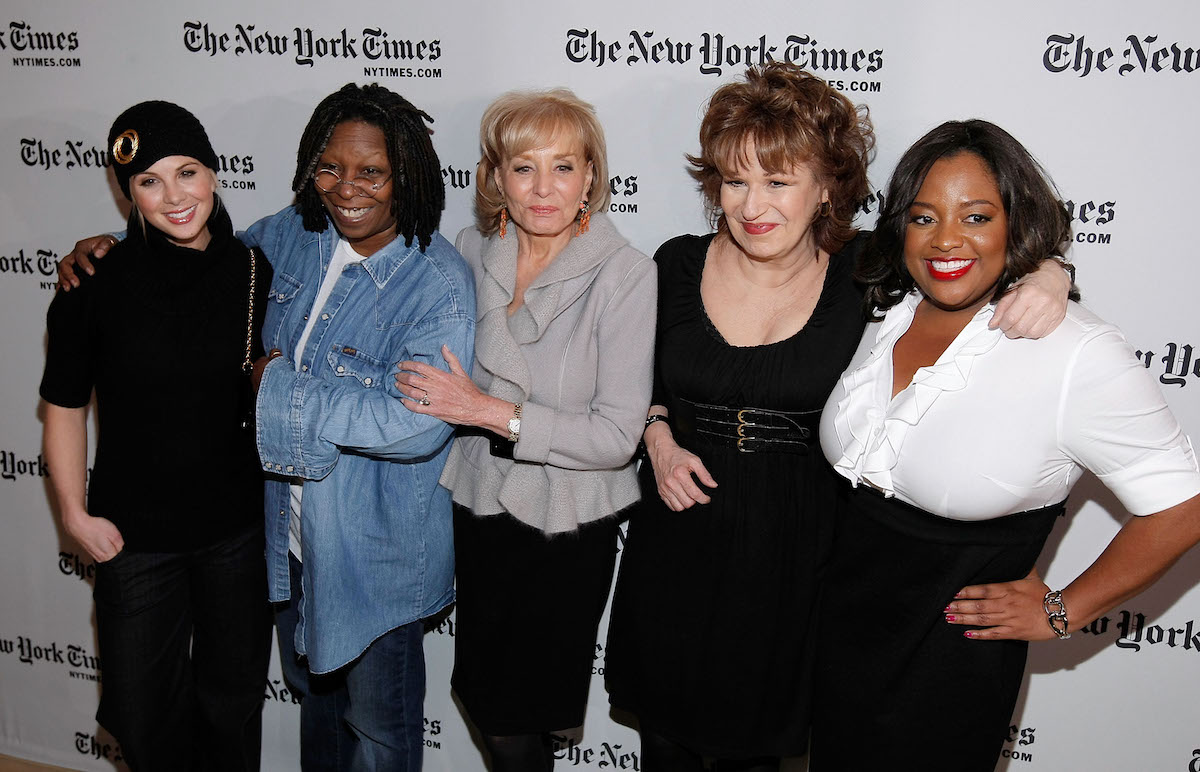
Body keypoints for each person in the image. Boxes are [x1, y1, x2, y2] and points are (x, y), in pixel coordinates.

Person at [604, 65, 1072, 771]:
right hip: (674, 554)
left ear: (827, 184)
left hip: (798, 568)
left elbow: (968, 258)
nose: (753, 204)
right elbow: (627, 384)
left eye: (779, 181)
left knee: (758, 755)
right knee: (665, 748)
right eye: (736, 181)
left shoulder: (867, 268)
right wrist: (657, 435)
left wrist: (1051, 274)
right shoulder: (674, 263)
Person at [57, 83, 475, 772]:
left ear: (409, 174)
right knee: (316, 712)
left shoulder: (438, 284)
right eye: (330, 166)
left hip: (374, 558)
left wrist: (280, 389)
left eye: (371, 171)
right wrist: (110, 250)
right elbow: (201, 258)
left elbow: (414, 425)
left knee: (378, 735)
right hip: (290, 541)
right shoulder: (293, 234)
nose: (347, 188)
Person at [812, 119, 1200, 770]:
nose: (947, 240)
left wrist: (1062, 609)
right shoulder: (883, 301)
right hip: (840, 639)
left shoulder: (1076, 352)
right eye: (924, 216)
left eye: (977, 216)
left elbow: (1182, 504)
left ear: (1015, 223)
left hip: (945, 673)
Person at [393, 88, 656, 772]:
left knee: (518, 718)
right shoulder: (471, 248)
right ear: (495, 176)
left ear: (591, 177)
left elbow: (616, 436)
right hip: (481, 506)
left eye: (563, 167)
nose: (543, 189)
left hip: (563, 526)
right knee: (484, 698)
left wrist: (487, 411)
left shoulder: (627, 275)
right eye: (523, 167)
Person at [40, 100, 273, 770]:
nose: (174, 195)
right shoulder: (91, 282)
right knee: (142, 723)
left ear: (214, 174)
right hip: (132, 540)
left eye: (187, 172)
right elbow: (61, 406)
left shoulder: (253, 273)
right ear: (128, 192)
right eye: (149, 180)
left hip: (233, 534)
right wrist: (72, 516)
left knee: (231, 712)